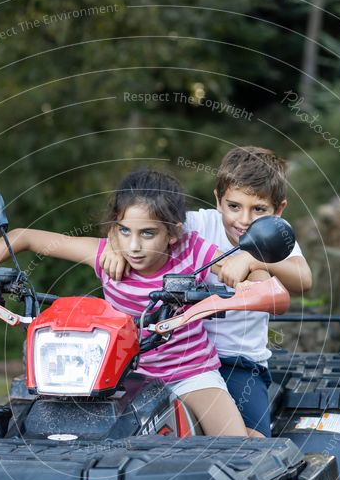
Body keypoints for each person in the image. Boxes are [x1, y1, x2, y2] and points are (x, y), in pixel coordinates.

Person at [0, 169, 247, 436]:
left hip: (190, 373)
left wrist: (245, 274)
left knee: (237, 447)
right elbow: (22, 237)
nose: (134, 246)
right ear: (114, 227)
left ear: (173, 233)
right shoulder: (106, 255)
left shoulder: (194, 251)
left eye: (148, 233)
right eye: (124, 230)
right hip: (119, 376)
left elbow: (251, 274)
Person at [100, 148, 313, 438]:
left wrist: (254, 259)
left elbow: (303, 278)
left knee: (251, 443)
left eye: (258, 209)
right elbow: (144, 222)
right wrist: (114, 242)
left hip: (236, 360)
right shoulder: (197, 224)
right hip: (171, 352)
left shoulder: (274, 237)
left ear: (278, 211)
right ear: (218, 200)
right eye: (234, 206)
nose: (244, 219)